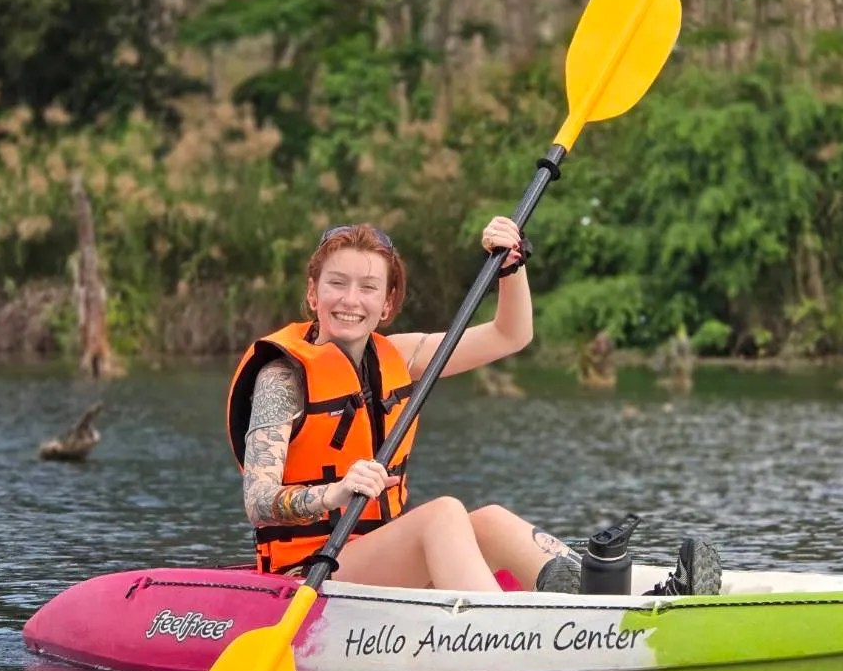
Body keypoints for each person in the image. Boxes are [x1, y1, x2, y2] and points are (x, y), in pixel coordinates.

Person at [226, 219, 720, 596]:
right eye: (337, 283)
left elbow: (510, 335)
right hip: (309, 574)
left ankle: (613, 599)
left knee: (490, 520)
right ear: (313, 293)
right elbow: (258, 501)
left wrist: (510, 269)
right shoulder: (282, 378)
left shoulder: (400, 356)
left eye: (368, 287)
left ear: (387, 303)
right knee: (443, 514)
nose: (350, 300)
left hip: (377, 559)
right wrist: (333, 493)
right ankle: (506, 633)